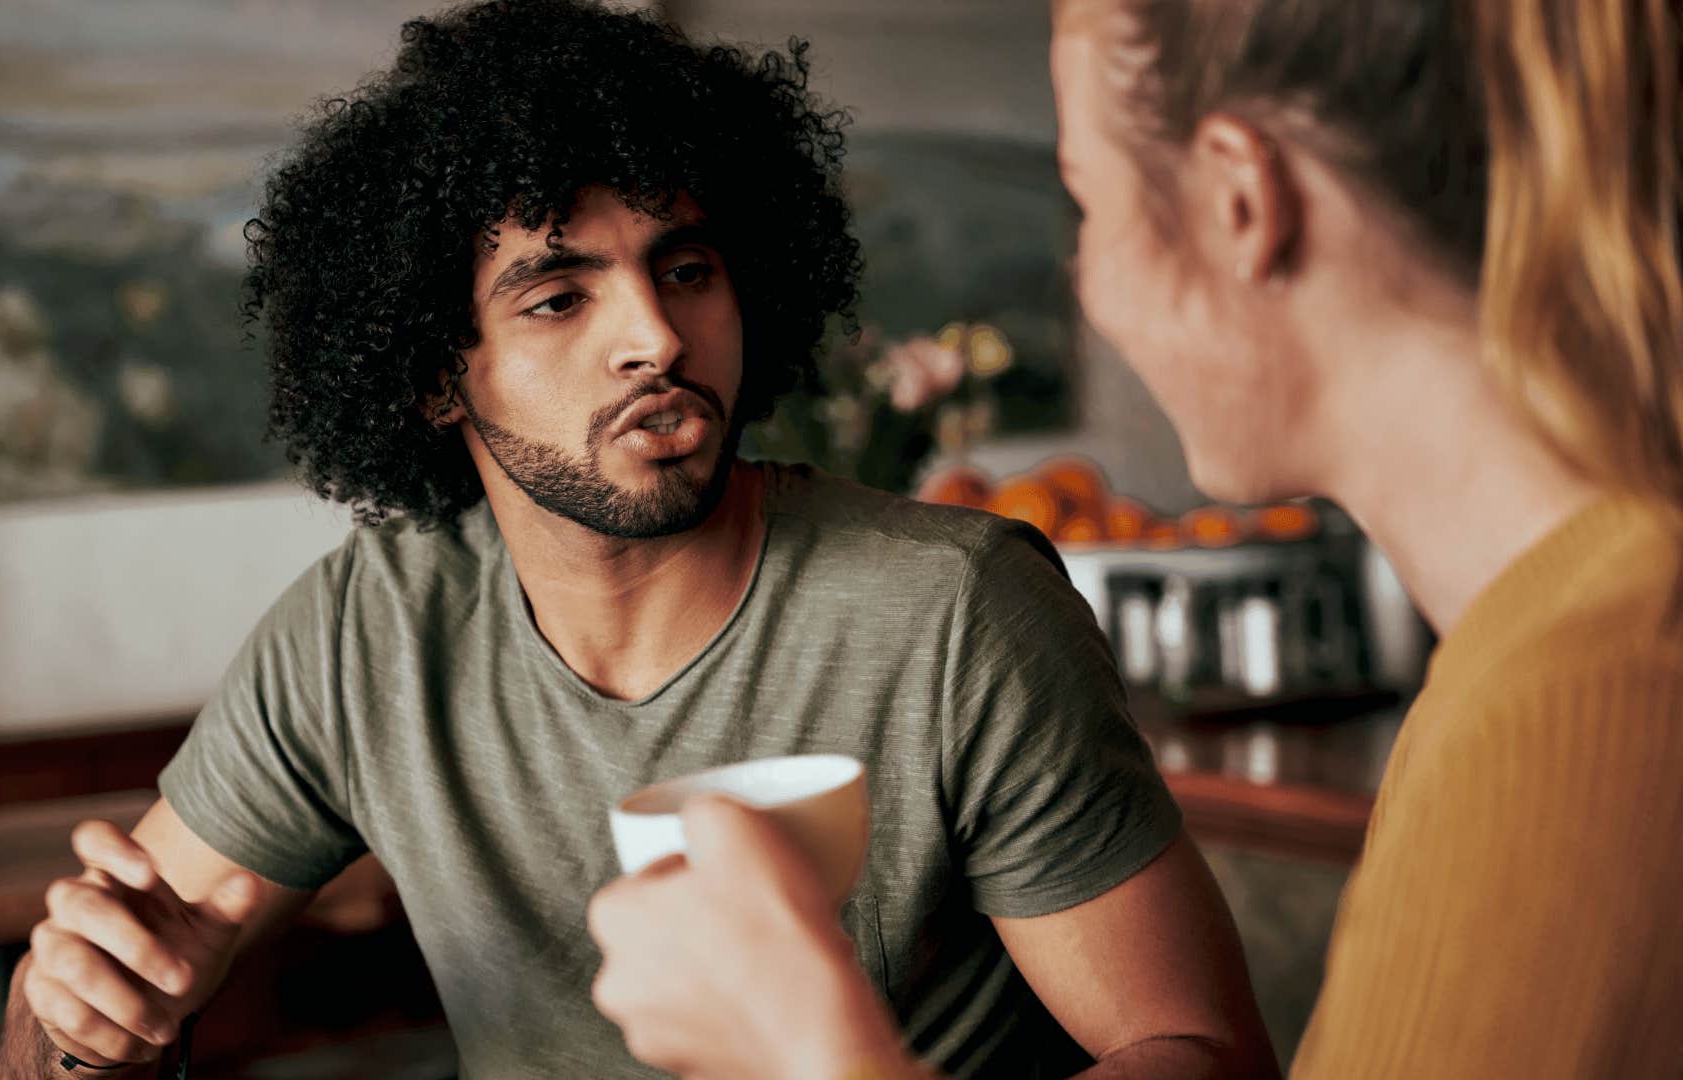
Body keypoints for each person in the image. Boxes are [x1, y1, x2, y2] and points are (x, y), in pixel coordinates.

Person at [0, 2, 1278, 1077]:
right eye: (559, 296)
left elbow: (1199, 1053)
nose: (657, 338)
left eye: (687, 269)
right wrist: (91, 1022)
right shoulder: (364, 633)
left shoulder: (956, 614)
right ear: (438, 373)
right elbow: (57, 1030)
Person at [588, 0, 1683, 1076]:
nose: (1088, 285)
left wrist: (808, 1050)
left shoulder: (1595, 695)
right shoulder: (1523, 658)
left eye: (1087, 210)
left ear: (1239, 201)